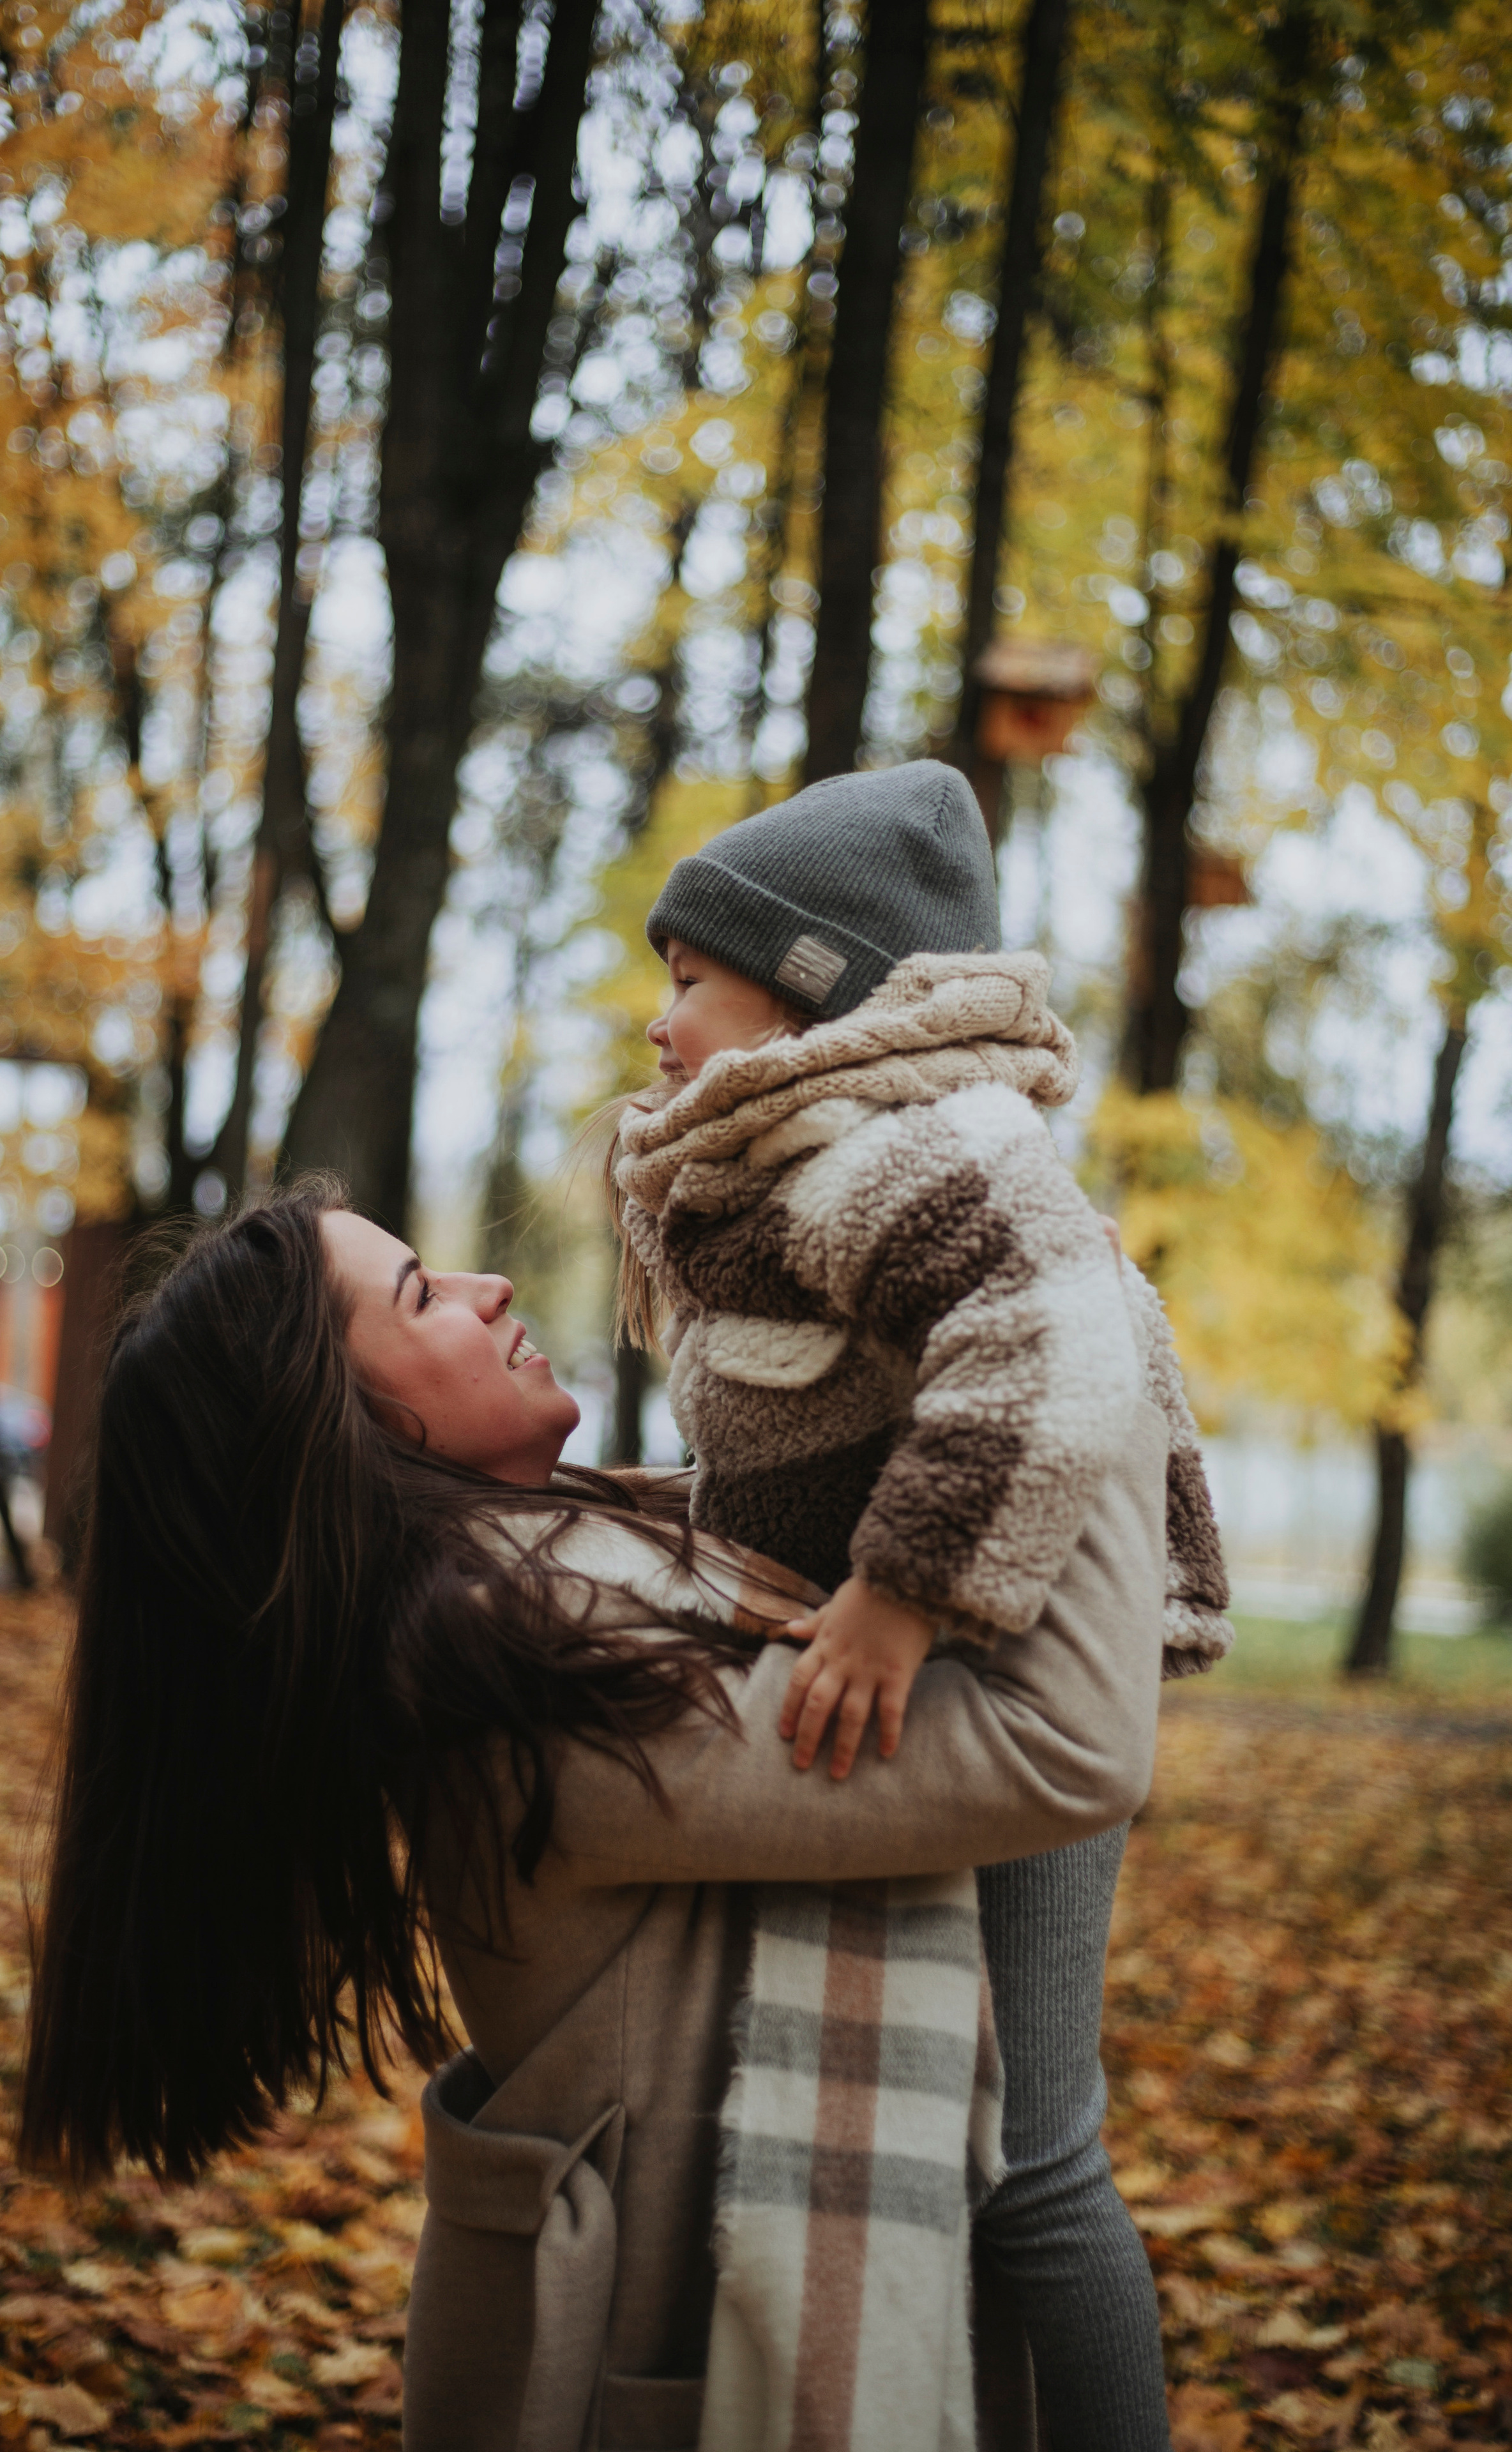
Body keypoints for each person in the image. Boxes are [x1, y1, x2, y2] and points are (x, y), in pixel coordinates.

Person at [19, 1179, 1170, 2451]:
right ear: (341, 1429)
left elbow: (845, 1512)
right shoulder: (525, 1677)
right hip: (688, 2378)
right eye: (421, 1296)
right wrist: (1081, 1341)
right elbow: (1063, 1747)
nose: (486, 1286)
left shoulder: (586, 1548)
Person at [609, 759, 1232, 2451]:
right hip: (938, 1676)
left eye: (688, 981)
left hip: (1016, 1667)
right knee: (934, 2147)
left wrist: (900, 1592)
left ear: (810, 983)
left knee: (1032, 2155)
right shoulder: (807, 1150)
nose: (659, 1027)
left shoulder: (909, 1142)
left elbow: (1048, 1333)